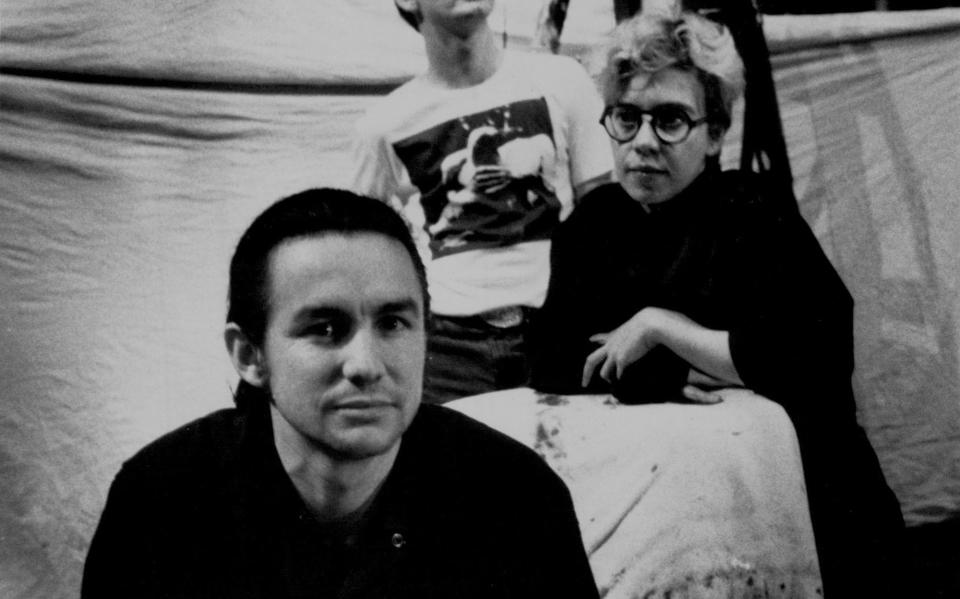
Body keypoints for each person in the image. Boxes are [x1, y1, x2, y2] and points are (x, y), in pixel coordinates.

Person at [527, 10, 904, 598]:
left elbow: (816, 356)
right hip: (664, 511)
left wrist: (662, 328)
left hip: (807, 502)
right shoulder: (591, 227)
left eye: (671, 119)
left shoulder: (754, 214)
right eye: (627, 118)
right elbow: (551, 357)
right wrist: (670, 367)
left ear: (716, 133)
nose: (644, 142)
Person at [81, 188, 598, 598]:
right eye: (326, 329)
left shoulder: (516, 498)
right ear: (249, 355)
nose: (366, 365)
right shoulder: (161, 502)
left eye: (393, 323)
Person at [349, 0, 612, 403]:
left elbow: (607, 215)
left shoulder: (563, 80)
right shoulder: (382, 124)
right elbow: (358, 247)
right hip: (447, 351)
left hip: (561, 331)